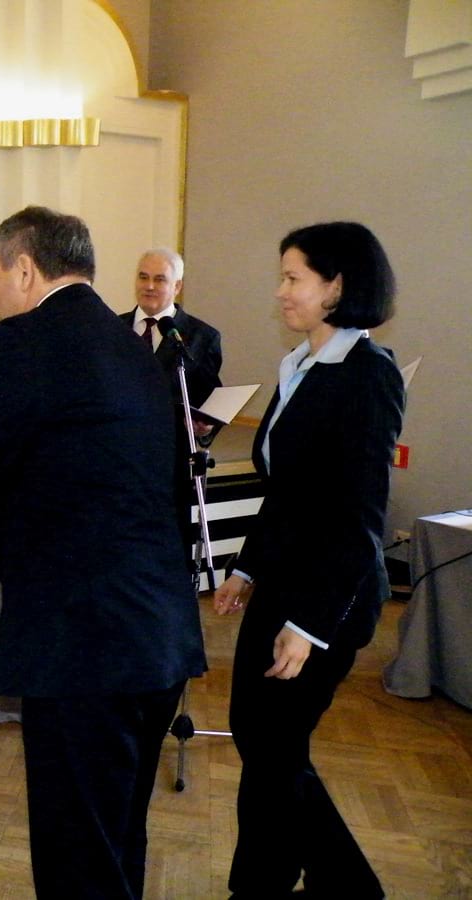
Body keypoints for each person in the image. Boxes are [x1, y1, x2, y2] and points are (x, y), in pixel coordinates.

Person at [0, 207, 206, 899]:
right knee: (117, 840)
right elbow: (97, 502)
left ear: (24, 269)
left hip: (85, 650)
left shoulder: (18, 343)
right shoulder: (137, 348)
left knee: (76, 858)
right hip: (157, 638)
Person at [213, 222, 404, 898]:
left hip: (330, 599)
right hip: (282, 585)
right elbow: (288, 493)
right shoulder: (301, 364)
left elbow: (359, 518)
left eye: (293, 277)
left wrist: (310, 624)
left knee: (273, 744)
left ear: (337, 286)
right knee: (262, 738)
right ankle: (329, 882)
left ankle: (274, 885)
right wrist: (247, 568)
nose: (281, 291)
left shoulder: (368, 376)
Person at [121, 248, 223, 568]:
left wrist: (204, 429)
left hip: (170, 467)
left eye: (160, 279)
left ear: (177, 286)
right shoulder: (111, 328)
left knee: (165, 555)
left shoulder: (201, 336)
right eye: (143, 277)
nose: (149, 286)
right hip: (118, 462)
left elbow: (209, 400)